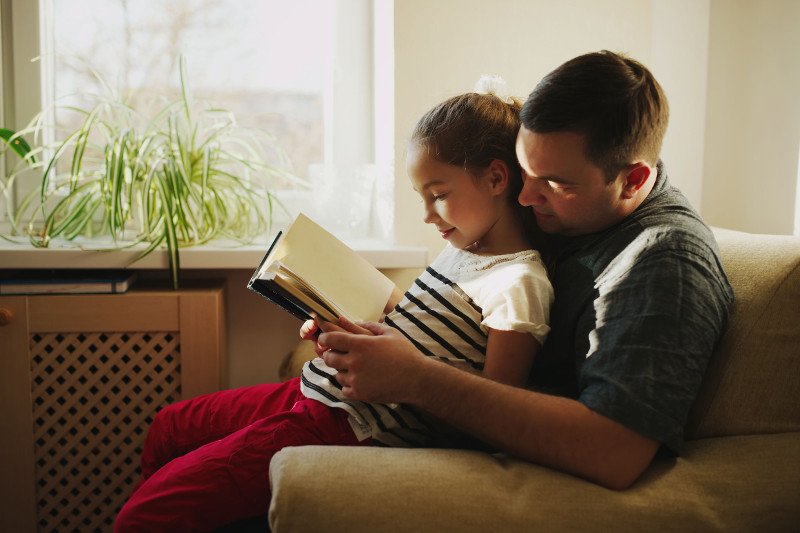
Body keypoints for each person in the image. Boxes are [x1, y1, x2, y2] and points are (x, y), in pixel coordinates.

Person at [114, 81, 554, 531]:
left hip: (348, 422)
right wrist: (343, 321)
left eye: (438, 194)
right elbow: (424, 327)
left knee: (144, 514)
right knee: (170, 426)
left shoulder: (519, 282)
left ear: (496, 179)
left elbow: (499, 408)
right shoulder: (462, 249)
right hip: (316, 388)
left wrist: (400, 370)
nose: (427, 215)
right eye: (421, 197)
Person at [315, 50, 734, 491]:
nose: (524, 197)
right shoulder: (578, 208)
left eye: (555, 183)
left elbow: (615, 450)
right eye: (523, 169)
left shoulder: (663, 262)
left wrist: (417, 378)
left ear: (632, 180)